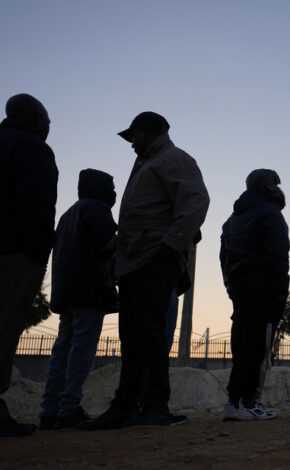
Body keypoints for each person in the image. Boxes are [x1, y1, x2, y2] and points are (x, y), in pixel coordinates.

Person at [84, 112, 209, 429]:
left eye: (134, 135)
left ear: (151, 132)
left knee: (151, 334)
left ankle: (155, 406)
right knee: (132, 336)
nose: (131, 142)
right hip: (133, 263)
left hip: (154, 258)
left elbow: (195, 202)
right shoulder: (146, 164)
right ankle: (125, 406)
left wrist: (170, 247)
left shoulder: (173, 159)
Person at [39, 169, 117, 430]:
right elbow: (108, 245)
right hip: (89, 292)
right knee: (81, 351)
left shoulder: (68, 214)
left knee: (62, 350)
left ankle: (49, 410)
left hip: (67, 291)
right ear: (100, 188)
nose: (114, 193)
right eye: (112, 187)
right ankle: (69, 408)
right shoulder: (96, 209)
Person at [0, 93, 58, 437]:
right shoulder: (32, 148)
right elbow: (37, 207)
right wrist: (39, 255)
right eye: (47, 120)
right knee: (4, 327)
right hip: (14, 253)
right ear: (36, 118)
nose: (49, 127)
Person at [221, 169, 289, 421]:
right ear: (266, 186)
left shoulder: (232, 218)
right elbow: (278, 256)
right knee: (256, 346)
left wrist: (230, 286)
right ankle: (249, 402)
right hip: (264, 290)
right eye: (274, 183)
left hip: (240, 290)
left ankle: (234, 402)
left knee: (241, 345)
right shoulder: (270, 214)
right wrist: (281, 292)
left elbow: (223, 257)